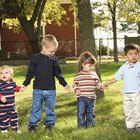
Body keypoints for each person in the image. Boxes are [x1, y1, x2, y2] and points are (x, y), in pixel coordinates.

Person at [21, 34, 70, 132]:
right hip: (38, 89)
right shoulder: (35, 58)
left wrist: (64, 84)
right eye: (52, 51)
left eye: (54, 51)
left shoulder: (53, 59)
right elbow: (30, 73)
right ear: (44, 47)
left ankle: (49, 125)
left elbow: (58, 73)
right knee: (35, 108)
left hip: (51, 90)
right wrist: (25, 84)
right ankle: (32, 126)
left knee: (50, 109)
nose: (53, 53)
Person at [104, 44, 140, 132]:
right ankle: (130, 127)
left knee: (137, 110)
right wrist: (109, 82)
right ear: (126, 56)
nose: (133, 56)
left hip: (137, 93)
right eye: (130, 54)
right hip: (126, 93)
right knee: (128, 111)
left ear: (138, 55)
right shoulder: (124, 67)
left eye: (135, 53)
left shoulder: (139, 67)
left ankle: (138, 126)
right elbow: (117, 77)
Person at [73, 51, 104, 128]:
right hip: (81, 97)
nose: (92, 67)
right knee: (81, 112)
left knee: (90, 112)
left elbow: (97, 83)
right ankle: (81, 126)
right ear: (83, 64)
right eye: (90, 66)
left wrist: (101, 86)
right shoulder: (79, 74)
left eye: (93, 66)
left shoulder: (94, 74)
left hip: (91, 98)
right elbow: (75, 84)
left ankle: (90, 125)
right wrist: (76, 89)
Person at [0, 65, 21, 133]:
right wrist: (1, 96)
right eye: (1, 73)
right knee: (3, 118)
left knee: (14, 117)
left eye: (6, 73)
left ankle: (15, 129)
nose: (3, 74)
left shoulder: (12, 83)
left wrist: (20, 88)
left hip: (12, 106)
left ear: (11, 75)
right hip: (3, 107)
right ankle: (4, 129)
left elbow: (15, 88)